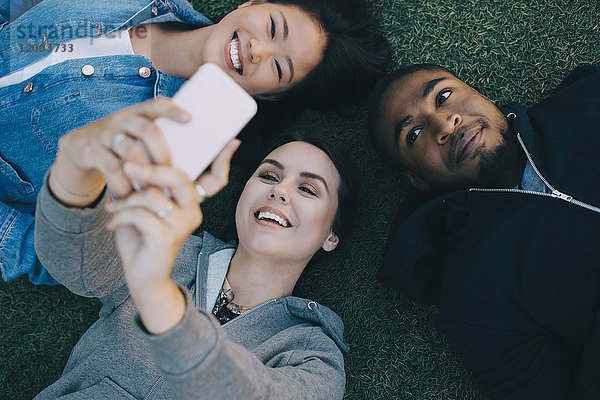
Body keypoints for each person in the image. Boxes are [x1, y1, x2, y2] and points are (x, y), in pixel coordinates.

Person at [0, 0, 389, 285]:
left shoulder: (163, 155)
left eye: (278, 67)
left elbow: (64, 258)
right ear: (252, 3)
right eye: (272, 27)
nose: (258, 49)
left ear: (270, 97)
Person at [33, 96, 358, 398]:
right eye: (270, 175)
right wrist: (72, 176)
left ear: (331, 235)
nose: (280, 191)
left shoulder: (314, 355)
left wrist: (158, 298)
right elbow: (80, 265)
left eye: (307, 188)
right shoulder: (170, 249)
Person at [368, 64, 600, 399]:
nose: (446, 124)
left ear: (479, 93)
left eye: (444, 96)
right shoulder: (473, 301)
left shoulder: (586, 98)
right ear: (416, 180)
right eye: (414, 135)